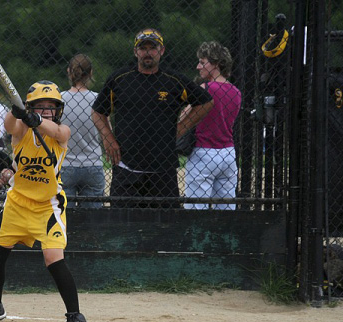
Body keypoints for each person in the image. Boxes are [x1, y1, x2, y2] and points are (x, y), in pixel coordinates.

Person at [0, 80, 91, 322]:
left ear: (58, 110)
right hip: (18, 201)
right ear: (29, 107)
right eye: (40, 106)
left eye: (51, 106)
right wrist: (17, 113)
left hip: (48, 205)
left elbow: (58, 133)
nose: (46, 110)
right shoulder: (21, 131)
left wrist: (36, 119)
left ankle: (76, 317)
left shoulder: (62, 132)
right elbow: (9, 125)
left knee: (53, 258)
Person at [92, 28, 214, 208]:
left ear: (161, 50)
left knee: (165, 226)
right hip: (126, 167)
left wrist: (181, 127)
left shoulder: (173, 80)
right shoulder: (119, 79)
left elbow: (206, 102)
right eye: (143, 48)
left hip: (163, 169)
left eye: (152, 48)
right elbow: (98, 112)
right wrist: (108, 138)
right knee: (121, 225)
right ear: (135, 52)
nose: (147, 52)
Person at [183, 41, 242, 210]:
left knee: (196, 208)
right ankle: (223, 236)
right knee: (226, 208)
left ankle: (196, 236)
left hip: (204, 151)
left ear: (216, 64)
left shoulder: (205, 88)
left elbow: (184, 116)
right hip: (228, 152)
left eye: (202, 62)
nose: (198, 66)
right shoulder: (236, 92)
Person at [61, 54, 105, 208]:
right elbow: (106, 132)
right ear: (91, 73)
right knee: (93, 221)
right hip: (92, 162)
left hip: (65, 164)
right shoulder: (98, 99)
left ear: (69, 71)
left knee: (63, 218)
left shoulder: (59, 100)